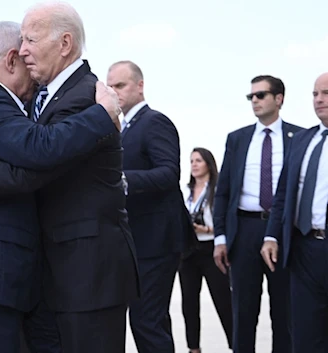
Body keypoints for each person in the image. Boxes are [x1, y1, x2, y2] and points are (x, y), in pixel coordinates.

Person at [0, 4, 139, 353]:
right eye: (21, 43)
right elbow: (34, 155)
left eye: (31, 40)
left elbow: (38, 159)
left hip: (85, 273)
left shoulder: (84, 96)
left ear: (65, 44)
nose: (24, 51)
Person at [107, 60, 195, 353]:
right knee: (145, 321)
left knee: (147, 321)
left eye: (120, 85)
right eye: (110, 87)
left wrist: (122, 180)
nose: (114, 92)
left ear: (140, 86)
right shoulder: (122, 128)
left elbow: (170, 173)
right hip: (136, 241)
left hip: (156, 241)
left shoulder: (154, 121)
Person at [213, 75, 303, 353]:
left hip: (285, 233)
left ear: (279, 99)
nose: (254, 100)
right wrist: (220, 238)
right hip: (244, 230)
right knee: (243, 311)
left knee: (284, 312)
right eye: (251, 96)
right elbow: (223, 191)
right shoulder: (237, 139)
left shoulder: (299, 138)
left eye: (261, 95)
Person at [262, 72, 328, 353]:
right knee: (304, 334)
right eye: (315, 94)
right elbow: (283, 195)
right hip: (303, 250)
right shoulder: (302, 140)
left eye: (325, 93)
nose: (319, 100)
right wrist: (271, 236)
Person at [179, 147, 233, 353]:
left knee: (223, 300)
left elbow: (224, 220)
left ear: (208, 164)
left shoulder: (218, 190)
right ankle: (193, 348)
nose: (193, 164)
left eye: (198, 161)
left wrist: (207, 229)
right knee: (189, 303)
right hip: (189, 250)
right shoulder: (186, 191)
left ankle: (235, 344)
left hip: (212, 247)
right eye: (191, 161)